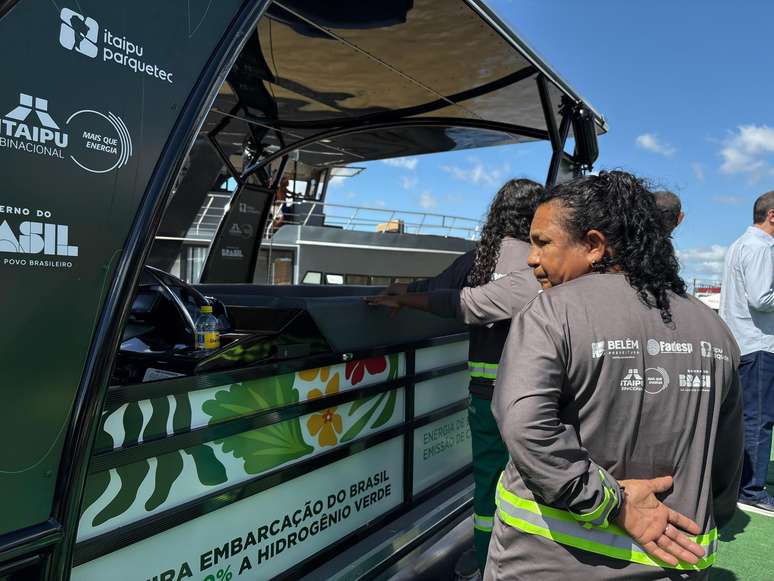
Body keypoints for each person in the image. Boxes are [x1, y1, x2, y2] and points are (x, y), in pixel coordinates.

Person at [486, 171, 742, 580]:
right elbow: (726, 466)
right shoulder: (715, 330)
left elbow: (526, 426)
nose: (531, 258)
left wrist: (613, 503)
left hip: (547, 563)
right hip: (676, 562)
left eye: (543, 243)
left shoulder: (550, 312)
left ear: (593, 245)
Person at [370, 178, 544, 572]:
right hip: (535, 399)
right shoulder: (542, 263)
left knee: (488, 485)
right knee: (537, 485)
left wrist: (400, 292)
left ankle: (485, 561)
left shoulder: (477, 259)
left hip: (485, 400)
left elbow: (438, 289)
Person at [719, 190, 774, 515]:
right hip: (758, 344)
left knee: (747, 417)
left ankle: (741, 484)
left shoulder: (741, 244)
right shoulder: (760, 247)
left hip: (743, 342)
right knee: (758, 419)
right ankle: (751, 490)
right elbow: (761, 299)